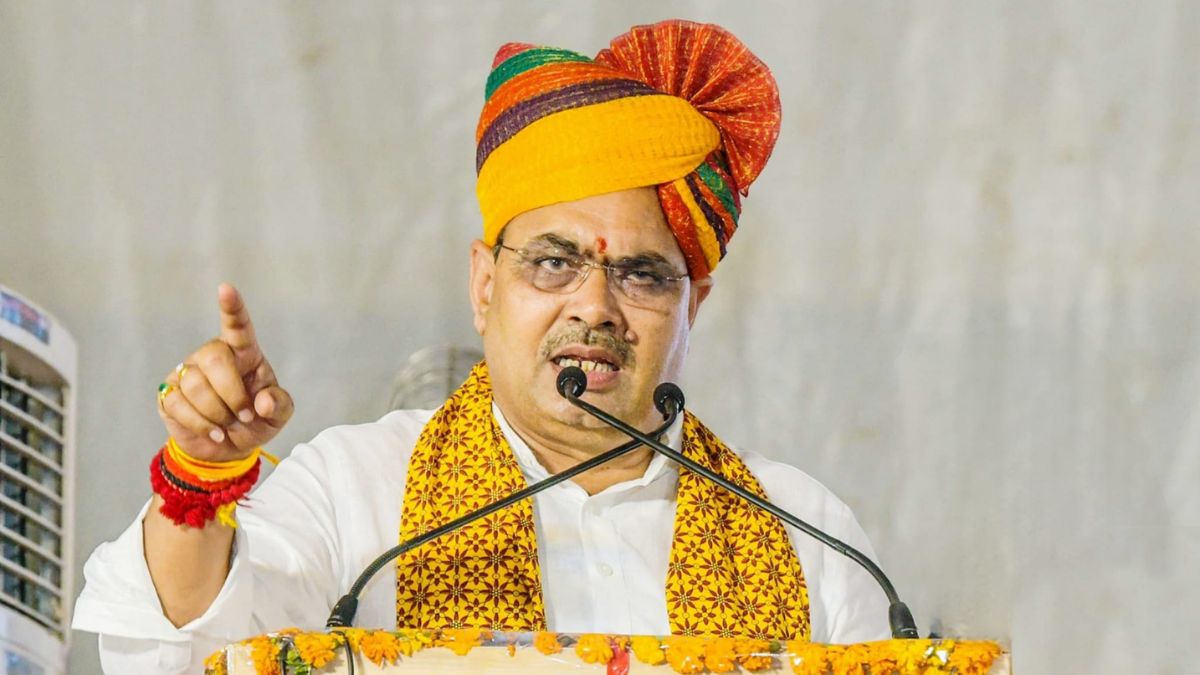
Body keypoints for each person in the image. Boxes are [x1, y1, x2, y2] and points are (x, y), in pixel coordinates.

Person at [72, 19, 889, 674]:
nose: (594, 306)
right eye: (554, 263)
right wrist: (200, 470)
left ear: (691, 306)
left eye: (641, 275)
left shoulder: (805, 532)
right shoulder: (357, 491)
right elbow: (179, 652)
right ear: (484, 285)